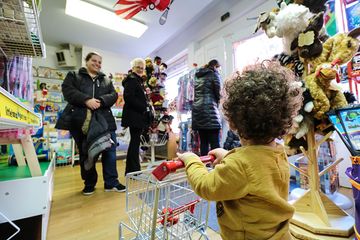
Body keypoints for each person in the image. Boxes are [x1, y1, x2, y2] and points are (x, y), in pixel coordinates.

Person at [178, 62, 303, 240]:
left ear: (233, 122)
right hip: (278, 232)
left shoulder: (241, 165)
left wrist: (191, 159)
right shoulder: (278, 152)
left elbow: (206, 186)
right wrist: (227, 156)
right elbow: (255, 171)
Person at [56, 52, 125, 195]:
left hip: (105, 120)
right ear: (86, 61)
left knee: (110, 151)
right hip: (81, 121)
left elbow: (114, 95)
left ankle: (111, 182)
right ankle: (89, 183)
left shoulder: (106, 79)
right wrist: (87, 100)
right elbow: (68, 91)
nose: (97, 64)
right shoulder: (74, 75)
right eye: (94, 60)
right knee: (86, 153)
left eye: (100, 62)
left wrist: (100, 101)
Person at [122, 58, 149, 175]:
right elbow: (129, 98)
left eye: (142, 68)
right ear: (133, 68)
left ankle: (133, 170)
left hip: (136, 116)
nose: (140, 69)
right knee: (134, 143)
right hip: (134, 116)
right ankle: (134, 171)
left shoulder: (137, 80)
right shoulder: (132, 80)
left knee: (135, 142)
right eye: (138, 67)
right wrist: (144, 107)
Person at [192, 59, 222, 156]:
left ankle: (204, 167)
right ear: (215, 66)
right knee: (215, 144)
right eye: (218, 68)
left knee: (203, 143)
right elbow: (219, 93)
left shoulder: (198, 77)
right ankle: (217, 168)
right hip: (210, 111)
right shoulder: (214, 74)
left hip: (198, 112)